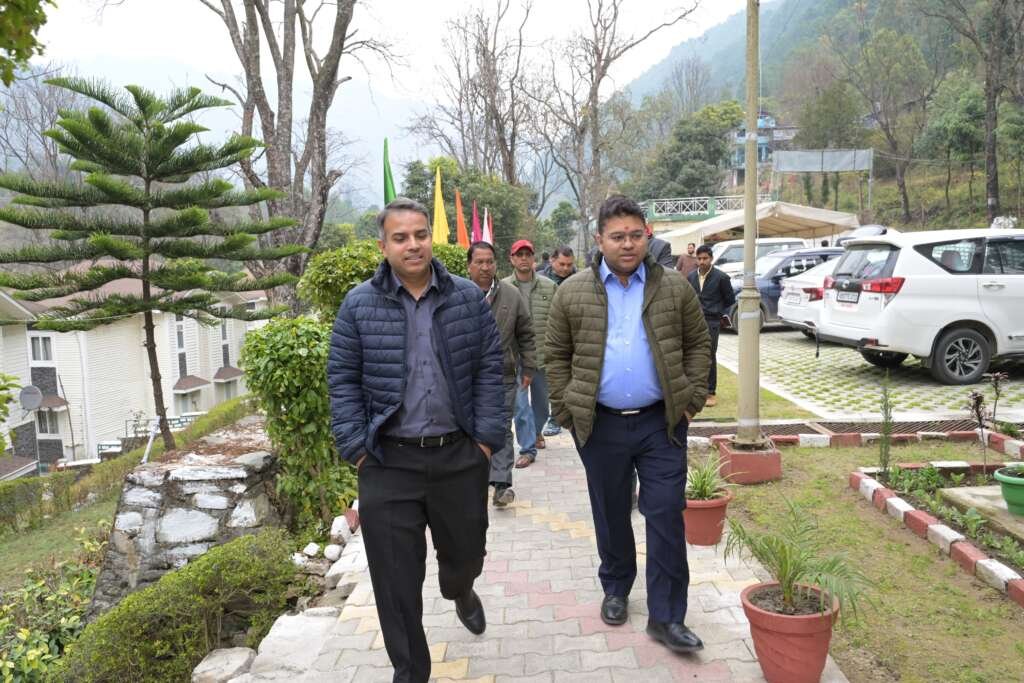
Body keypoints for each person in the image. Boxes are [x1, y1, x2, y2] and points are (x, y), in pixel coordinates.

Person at [327, 198, 505, 683]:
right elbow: (342, 379)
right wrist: (357, 450)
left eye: (420, 234)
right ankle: (410, 673)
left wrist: (486, 442)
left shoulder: (466, 298)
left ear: (432, 238)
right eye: (400, 237)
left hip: (459, 456)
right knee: (396, 584)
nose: (412, 245)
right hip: (387, 462)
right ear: (383, 246)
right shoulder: (358, 304)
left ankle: (461, 589)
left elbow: (490, 368)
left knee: (466, 555)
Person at [546, 194, 711, 655]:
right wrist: (567, 411)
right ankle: (616, 587)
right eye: (617, 236)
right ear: (599, 239)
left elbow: (699, 344)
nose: (627, 244)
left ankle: (667, 617)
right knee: (611, 510)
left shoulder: (674, 287)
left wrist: (690, 402)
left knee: (665, 513)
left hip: (662, 424)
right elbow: (555, 355)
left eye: (636, 235)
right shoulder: (572, 292)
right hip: (600, 426)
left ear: (647, 235)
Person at [467, 240, 536, 508]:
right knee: (470, 429)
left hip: (503, 374)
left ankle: (501, 484)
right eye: (479, 262)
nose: (485, 267)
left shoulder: (511, 295)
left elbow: (526, 334)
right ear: (469, 266)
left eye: (490, 262)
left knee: (502, 426)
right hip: (465, 377)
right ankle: (474, 479)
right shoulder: (456, 294)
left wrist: (528, 367)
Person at [504, 239, 556, 467]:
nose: (524, 259)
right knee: (521, 405)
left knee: (542, 405)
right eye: (519, 255)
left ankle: (535, 431)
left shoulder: (549, 286)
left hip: (543, 356)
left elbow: (558, 321)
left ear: (533, 258)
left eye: (528, 254)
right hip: (515, 358)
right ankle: (527, 449)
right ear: (512, 259)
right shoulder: (503, 287)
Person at [686, 244, 735, 408]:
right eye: (699, 258)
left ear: (711, 258)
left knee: (709, 356)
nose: (702, 261)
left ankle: (710, 392)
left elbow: (730, 300)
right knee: (692, 355)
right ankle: (695, 391)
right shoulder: (691, 277)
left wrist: (719, 313)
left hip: (712, 321)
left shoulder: (721, 277)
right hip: (693, 321)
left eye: (705, 258)